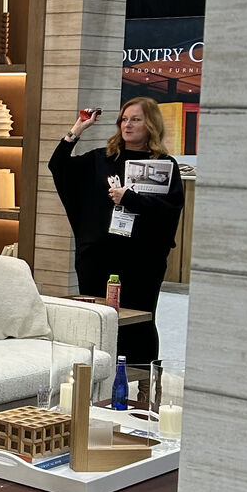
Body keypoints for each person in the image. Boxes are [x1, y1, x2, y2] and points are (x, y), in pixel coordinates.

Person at [49, 96, 185, 361]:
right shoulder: (102, 158)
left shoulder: (164, 165)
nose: (127, 125)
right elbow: (59, 166)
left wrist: (130, 198)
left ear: (151, 124)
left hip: (142, 260)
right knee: (97, 320)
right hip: (98, 256)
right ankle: (96, 374)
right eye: (124, 119)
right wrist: (77, 129)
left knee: (139, 321)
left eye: (135, 119)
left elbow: (169, 209)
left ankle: (140, 379)